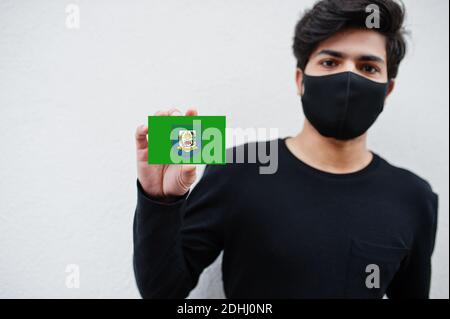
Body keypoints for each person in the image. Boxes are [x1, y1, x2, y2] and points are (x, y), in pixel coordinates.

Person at [133, 0, 438, 299]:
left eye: (368, 67)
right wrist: (160, 200)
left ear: (387, 89)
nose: (348, 79)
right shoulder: (237, 168)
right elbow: (162, 291)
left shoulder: (414, 197)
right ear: (300, 80)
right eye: (330, 62)